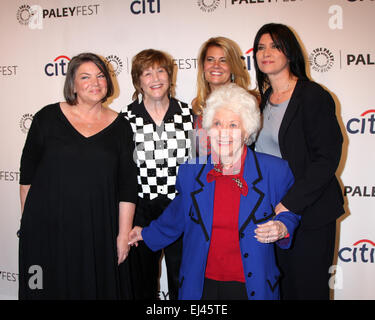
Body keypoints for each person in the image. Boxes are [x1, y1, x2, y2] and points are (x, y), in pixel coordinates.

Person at [128, 83, 300, 300]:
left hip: (251, 286)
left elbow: (291, 211)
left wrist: (283, 226)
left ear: (247, 130)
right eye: (217, 123)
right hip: (201, 285)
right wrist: (144, 233)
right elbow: (177, 215)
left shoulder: (275, 171)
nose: (224, 133)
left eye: (233, 125)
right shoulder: (190, 172)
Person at [18, 52, 137, 300]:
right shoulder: (46, 118)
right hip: (48, 228)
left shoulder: (121, 126)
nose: (95, 82)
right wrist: (28, 224)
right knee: (44, 288)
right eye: (85, 77)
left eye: (100, 76)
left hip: (99, 231)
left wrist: (123, 235)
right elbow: (27, 176)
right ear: (72, 83)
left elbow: (127, 186)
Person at [253, 23, 344, 300]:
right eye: (260, 47)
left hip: (310, 214)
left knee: (307, 291)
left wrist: (290, 203)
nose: (266, 52)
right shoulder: (261, 101)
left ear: (290, 52)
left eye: (275, 46)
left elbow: (327, 158)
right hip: (272, 215)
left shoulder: (313, 96)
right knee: (279, 291)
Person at [121, 49, 194, 300]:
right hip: (141, 207)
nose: (155, 78)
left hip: (179, 206)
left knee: (180, 277)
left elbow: (197, 163)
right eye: (147, 73)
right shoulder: (125, 119)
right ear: (137, 81)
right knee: (142, 280)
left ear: (170, 76)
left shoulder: (188, 115)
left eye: (160, 70)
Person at [192, 36, 258, 156]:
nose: (216, 65)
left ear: (233, 66)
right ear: (203, 66)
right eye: (210, 59)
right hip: (204, 172)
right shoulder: (197, 105)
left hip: (238, 173)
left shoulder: (250, 102)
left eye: (223, 60)